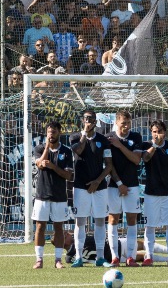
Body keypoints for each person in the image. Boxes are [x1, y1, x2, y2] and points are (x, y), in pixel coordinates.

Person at [66, 110, 112, 268]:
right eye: (86, 119)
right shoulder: (74, 137)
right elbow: (78, 150)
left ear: (96, 121)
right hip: (80, 186)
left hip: (100, 187)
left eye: (91, 119)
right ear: (82, 120)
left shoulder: (102, 140)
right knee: (80, 222)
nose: (89, 121)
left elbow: (109, 164)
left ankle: (100, 257)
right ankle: (79, 257)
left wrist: (98, 181)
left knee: (100, 221)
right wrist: (84, 134)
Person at [31, 120, 73, 269]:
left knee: (59, 228)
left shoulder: (66, 152)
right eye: (49, 132)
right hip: (42, 194)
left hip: (59, 195)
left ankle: (57, 260)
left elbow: (68, 176)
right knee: (40, 227)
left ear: (59, 133)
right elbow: (40, 164)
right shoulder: (39, 148)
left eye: (54, 132)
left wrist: (53, 167)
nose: (51, 135)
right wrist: (47, 149)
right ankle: (39, 259)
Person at [139, 120, 168, 267]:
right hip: (151, 192)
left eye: (160, 131)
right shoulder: (146, 145)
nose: (157, 134)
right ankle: (148, 256)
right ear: (151, 132)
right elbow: (145, 158)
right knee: (150, 226)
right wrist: (155, 146)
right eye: (154, 131)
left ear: (165, 131)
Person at [105, 110, 144, 267]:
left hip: (133, 186)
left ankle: (131, 257)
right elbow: (109, 165)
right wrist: (120, 183)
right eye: (123, 123)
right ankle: (114, 257)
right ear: (116, 122)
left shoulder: (136, 137)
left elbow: (136, 160)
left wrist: (119, 145)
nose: (126, 126)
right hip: (114, 186)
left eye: (128, 123)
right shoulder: (108, 138)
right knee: (113, 219)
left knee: (132, 220)